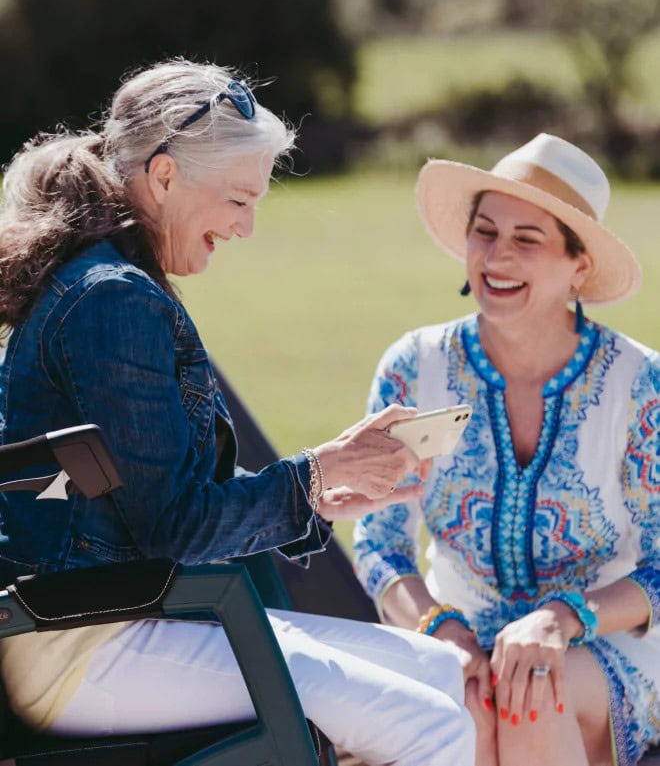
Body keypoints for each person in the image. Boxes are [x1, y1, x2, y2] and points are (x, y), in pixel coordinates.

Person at [0, 59, 475, 766]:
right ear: (163, 177)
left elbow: (160, 500)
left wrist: (319, 485)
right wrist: (310, 478)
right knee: (431, 725)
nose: (247, 226)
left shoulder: (107, 282)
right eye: (237, 199)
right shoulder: (112, 299)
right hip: (82, 643)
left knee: (437, 673)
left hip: (112, 620)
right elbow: (175, 524)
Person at [354, 133, 659, 766]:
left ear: (578, 267)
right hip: (456, 642)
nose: (497, 257)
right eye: (485, 232)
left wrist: (562, 618)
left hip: (602, 644)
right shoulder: (413, 368)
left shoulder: (640, 386)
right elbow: (380, 544)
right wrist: (441, 629)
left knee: (530, 696)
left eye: (527, 240)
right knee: (468, 703)